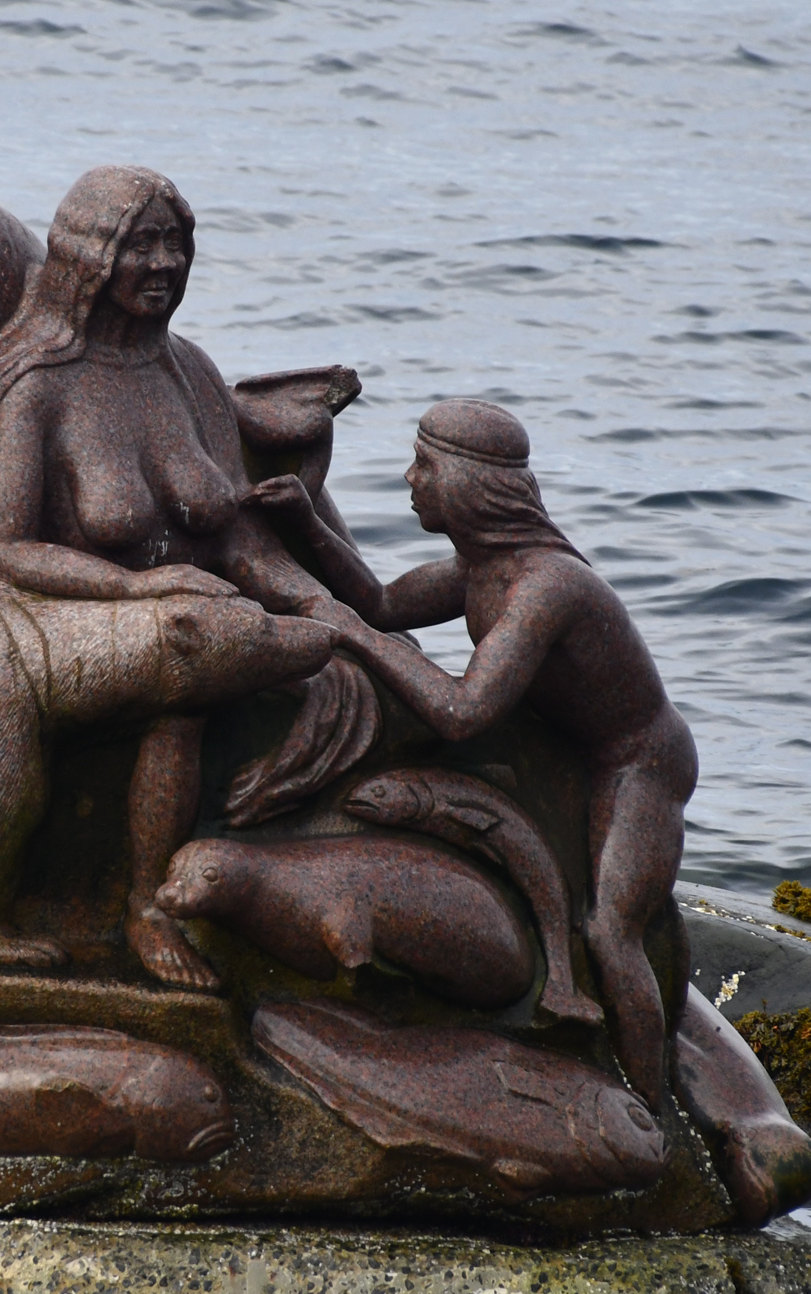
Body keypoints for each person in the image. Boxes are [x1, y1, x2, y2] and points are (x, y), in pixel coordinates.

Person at [249, 399, 695, 1105]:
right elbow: (382, 604)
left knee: (612, 932)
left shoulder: (544, 586)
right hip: (554, 739)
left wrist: (354, 637)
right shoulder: (479, 569)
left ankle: (651, 1107)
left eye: (424, 466)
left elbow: (462, 711)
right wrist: (306, 521)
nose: (409, 479)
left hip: (637, 763)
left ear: (469, 483)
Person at [0, 166, 329, 990]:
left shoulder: (191, 373)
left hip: (203, 605)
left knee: (344, 656)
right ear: (90, 256)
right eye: (140, 244)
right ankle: (148, 907)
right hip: (87, 610)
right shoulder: (39, 390)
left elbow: (234, 530)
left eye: (175, 244)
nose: (164, 263)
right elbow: (13, 549)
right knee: (188, 682)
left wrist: (317, 602)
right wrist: (138, 590)